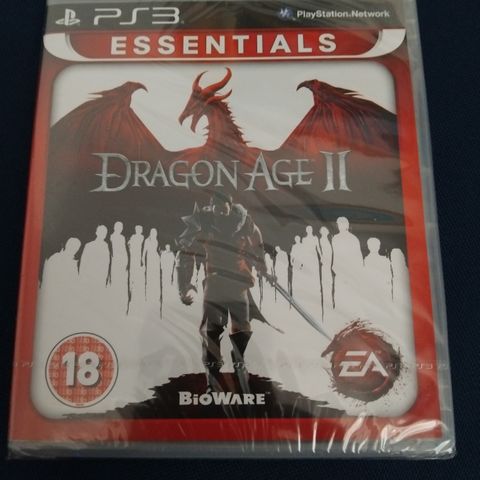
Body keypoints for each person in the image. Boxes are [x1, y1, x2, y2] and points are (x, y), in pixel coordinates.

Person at [176, 192, 268, 393]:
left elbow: (258, 242)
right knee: (211, 330)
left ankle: (239, 364)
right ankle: (213, 377)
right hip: (215, 281)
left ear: (230, 205)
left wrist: (262, 266)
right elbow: (185, 252)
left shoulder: (244, 222)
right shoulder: (202, 221)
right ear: (211, 207)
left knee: (242, 327)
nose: (219, 211)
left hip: (238, 281)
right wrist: (184, 285)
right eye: (215, 208)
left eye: (223, 208)